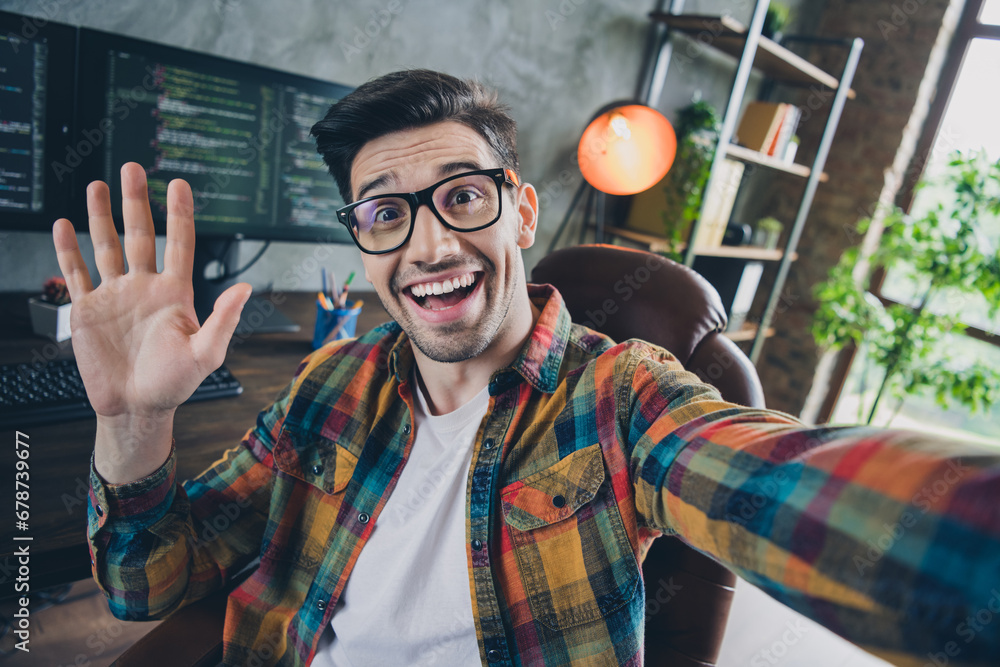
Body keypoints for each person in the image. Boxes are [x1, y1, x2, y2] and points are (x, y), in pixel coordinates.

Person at [52, 69, 998, 667]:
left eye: (463, 196)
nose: (428, 244)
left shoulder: (626, 396)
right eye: (385, 213)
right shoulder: (327, 387)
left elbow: (791, 490)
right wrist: (134, 421)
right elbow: (144, 588)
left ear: (524, 215)